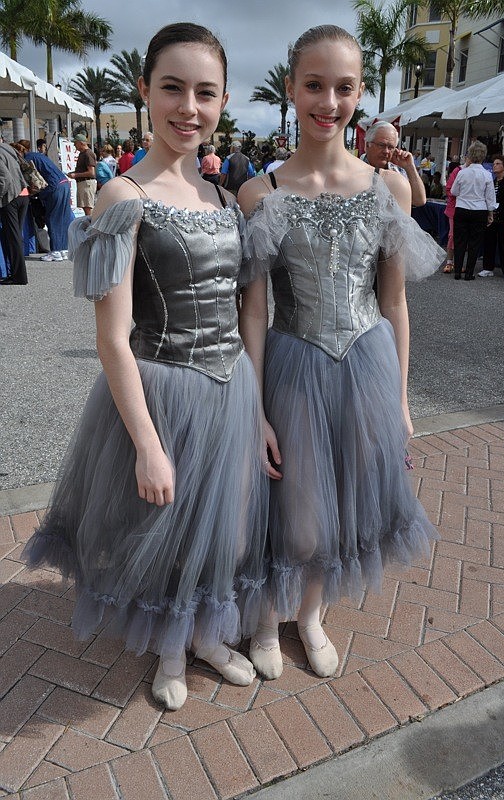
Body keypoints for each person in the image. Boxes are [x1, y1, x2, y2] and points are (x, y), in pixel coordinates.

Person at [21, 22, 268, 711]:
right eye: (173, 88)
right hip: (163, 390)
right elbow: (112, 338)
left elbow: (246, 310)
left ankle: (206, 635)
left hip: (231, 390)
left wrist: (257, 406)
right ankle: (167, 647)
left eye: (205, 92)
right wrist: (148, 445)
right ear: (145, 92)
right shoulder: (123, 198)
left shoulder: (224, 201)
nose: (189, 106)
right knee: (165, 527)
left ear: (222, 102)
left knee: (220, 529)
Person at [238, 25, 443, 681]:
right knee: (288, 507)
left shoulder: (387, 190)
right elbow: (254, 307)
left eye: (343, 87)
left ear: (359, 94)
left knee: (344, 501)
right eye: (314, 85)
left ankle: (310, 615)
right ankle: (266, 618)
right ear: (292, 89)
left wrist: (400, 400)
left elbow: (393, 303)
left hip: (365, 368)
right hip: (289, 366)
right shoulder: (259, 193)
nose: (328, 100)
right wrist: (252, 405)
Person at [17, 139, 74, 262]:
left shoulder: (28, 159)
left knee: (52, 218)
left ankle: (55, 251)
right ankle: (63, 249)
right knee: (62, 218)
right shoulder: (37, 155)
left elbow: (31, 177)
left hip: (53, 187)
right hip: (63, 183)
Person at [451, 141, 496, 281]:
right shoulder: (487, 175)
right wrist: (490, 213)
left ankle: (457, 271)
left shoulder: (462, 172)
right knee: (474, 242)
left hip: (462, 208)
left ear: (470, 154)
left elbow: (454, 191)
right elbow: (490, 197)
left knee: (460, 241)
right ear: (484, 156)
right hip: (479, 210)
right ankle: (469, 273)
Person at [363, 121, 426, 207]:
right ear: (367, 145)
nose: (386, 151)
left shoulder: (398, 171)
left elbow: (419, 201)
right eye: (381, 145)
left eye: (390, 147)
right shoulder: (354, 169)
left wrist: (410, 167)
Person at [478, 154, 504, 281]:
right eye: (494, 164)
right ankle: (487, 268)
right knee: (489, 242)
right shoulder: (491, 182)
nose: (494, 166)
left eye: (498, 164)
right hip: (492, 217)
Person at [0, 140, 30, 285]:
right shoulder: (8, 148)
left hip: (10, 197)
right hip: (23, 193)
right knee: (15, 236)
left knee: (13, 237)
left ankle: (18, 276)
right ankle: (17, 274)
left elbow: (4, 179)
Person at [67, 134, 97, 216]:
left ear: (81, 143)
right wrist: (74, 173)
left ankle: (90, 225)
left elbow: (91, 172)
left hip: (87, 183)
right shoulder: (83, 153)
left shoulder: (88, 154)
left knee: (88, 208)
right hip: (83, 183)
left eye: (75, 143)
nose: (74, 145)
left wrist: (75, 175)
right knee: (85, 207)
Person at [442, 159, 461, 273]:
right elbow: (449, 190)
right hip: (455, 208)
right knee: (453, 235)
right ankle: (449, 262)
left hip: (467, 208)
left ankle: (458, 262)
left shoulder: (479, 171)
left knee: (463, 237)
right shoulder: (458, 171)